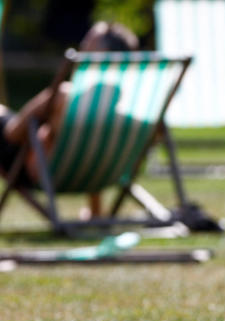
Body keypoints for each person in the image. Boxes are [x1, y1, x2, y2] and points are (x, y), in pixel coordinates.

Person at [0, 21, 138, 216]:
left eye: (90, 40)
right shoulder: (130, 108)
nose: (82, 44)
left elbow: (12, 133)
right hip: (95, 175)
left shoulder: (66, 97)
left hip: (40, 171)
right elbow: (94, 157)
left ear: (103, 53)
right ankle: (96, 212)